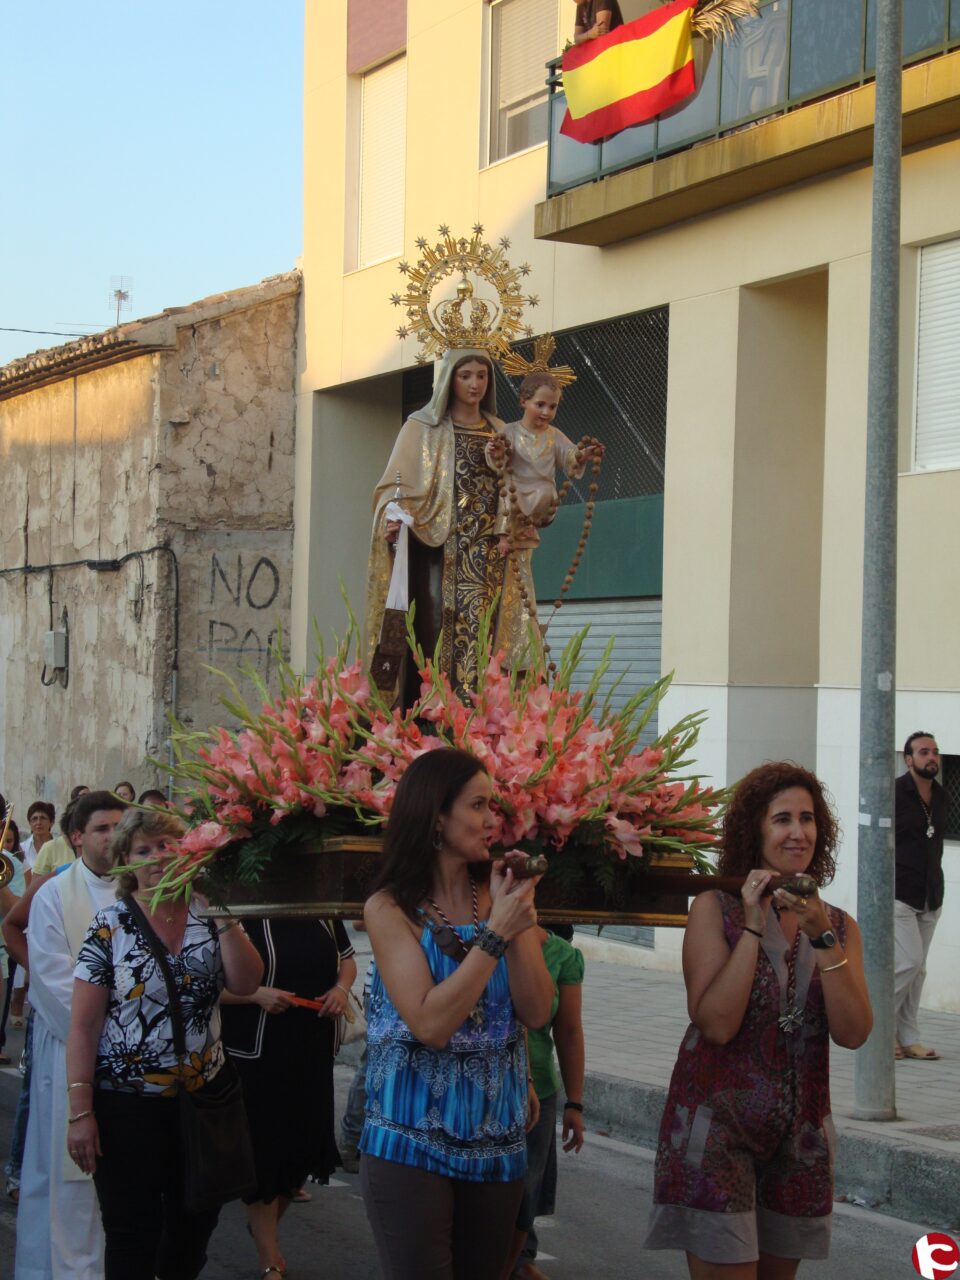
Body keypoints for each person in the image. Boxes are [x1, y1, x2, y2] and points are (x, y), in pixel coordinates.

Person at [645, 762, 873, 1278]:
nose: (798, 832)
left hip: (801, 1138)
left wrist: (822, 938)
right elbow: (716, 1024)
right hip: (717, 1131)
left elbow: (855, 1033)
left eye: (808, 819)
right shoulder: (714, 908)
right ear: (755, 830)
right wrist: (751, 928)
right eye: (782, 819)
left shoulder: (837, 925)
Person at [360, 747, 553, 1280]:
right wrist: (496, 935)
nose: (493, 820)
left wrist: (517, 922)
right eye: (478, 806)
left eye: (493, 806)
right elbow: (431, 1024)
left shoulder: (501, 898)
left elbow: (537, 1011)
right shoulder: (389, 908)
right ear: (436, 816)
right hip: (408, 1138)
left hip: (496, 1138)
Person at [65, 807, 264, 1280]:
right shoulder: (109, 926)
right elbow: (84, 1026)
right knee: (132, 1233)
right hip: (127, 1106)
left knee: (194, 1227)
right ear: (126, 863)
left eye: (168, 846)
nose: (158, 857)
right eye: (144, 850)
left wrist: (219, 911)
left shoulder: (208, 913)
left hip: (203, 1102)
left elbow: (247, 980)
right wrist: (81, 1111)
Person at [364, 348, 532, 706]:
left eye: (482, 376)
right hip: (437, 556)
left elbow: (519, 488)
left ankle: (484, 723)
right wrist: (394, 519)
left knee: (488, 642)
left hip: (490, 561)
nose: (475, 384)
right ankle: (429, 719)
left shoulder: (502, 432)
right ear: (449, 380)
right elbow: (392, 492)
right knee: (432, 639)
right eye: (466, 375)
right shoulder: (421, 429)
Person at [13, 789, 127, 1280]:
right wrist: (123, 1033)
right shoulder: (56, 893)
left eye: (119, 828)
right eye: (102, 828)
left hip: (129, 1061)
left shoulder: (142, 888)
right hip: (70, 1052)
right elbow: (57, 983)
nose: (113, 838)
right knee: (68, 1186)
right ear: (78, 838)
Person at [221, 918, 358, 1276]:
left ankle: (264, 1227)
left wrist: (341, 990)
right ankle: (270, 1259)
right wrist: (256, 994)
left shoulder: (319, 906)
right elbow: (204, 984)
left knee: (305, 1150)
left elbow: (347, 959)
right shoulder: (239, 910)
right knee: (264, 1153)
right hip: (258, 1051)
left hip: (312, 1046)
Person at [503, 923, 586, 1280]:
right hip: (487, 1083)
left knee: (525, 1189)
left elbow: (568, 1031)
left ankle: (515, 1262)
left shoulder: (562, 955)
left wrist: (575, 1103)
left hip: (540, 1090)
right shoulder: (482, 940)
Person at [894, 731, 945, 1061]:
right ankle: (878, 1030)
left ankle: (909, 1037)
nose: (932, 757)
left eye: (936, 752)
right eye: (924, 752)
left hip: (931, 892)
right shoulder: (895, 793)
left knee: (919, 969)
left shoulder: (941, 795)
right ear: (908, 759)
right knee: (907, 962)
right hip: (898, 891)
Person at [21, 800, 55, 881]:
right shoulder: (22, 848)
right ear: (29, 822)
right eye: (34, 819)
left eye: (43, 818)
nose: (38, 822)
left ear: (51, 822)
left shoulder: (60, 847)